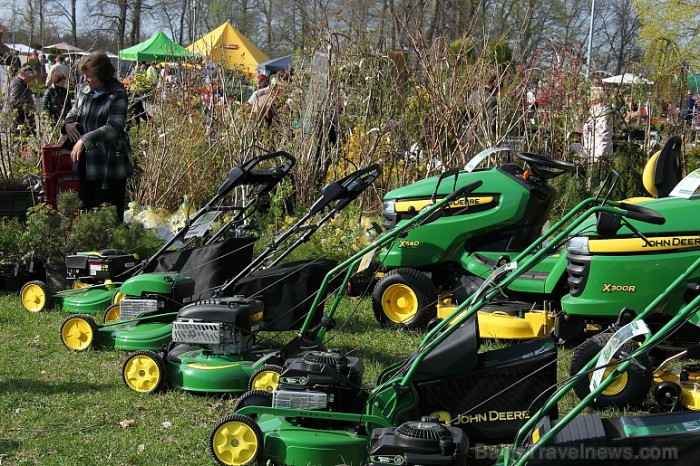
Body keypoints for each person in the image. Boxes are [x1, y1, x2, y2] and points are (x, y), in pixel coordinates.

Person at [63, 51, 133, 222]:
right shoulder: (85, 91)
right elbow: (73, 112)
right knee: (87, 210)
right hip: (88, 163)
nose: (86, 79)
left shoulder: (117, 95)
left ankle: (111, 247)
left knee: (108, 214)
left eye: (90, 76)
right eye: (84, 76)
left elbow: (113, 127)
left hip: (110, 164)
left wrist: (84, 141)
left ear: (102, 75)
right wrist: (69, 124)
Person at [581, 87, 613, 162]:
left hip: (597, 155)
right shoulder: (596, 113)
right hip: (594, 153)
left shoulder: (602, 114)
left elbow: (602, 136)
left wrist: (598, 156)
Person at [4, 64, 36, 135]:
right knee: (19, 143)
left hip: (22, 119)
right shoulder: (17, 84)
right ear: (24, 74)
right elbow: (13, 103)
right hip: (18, 121)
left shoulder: (22, 83)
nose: (32, 78)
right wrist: (19, 122)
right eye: (30, 76)